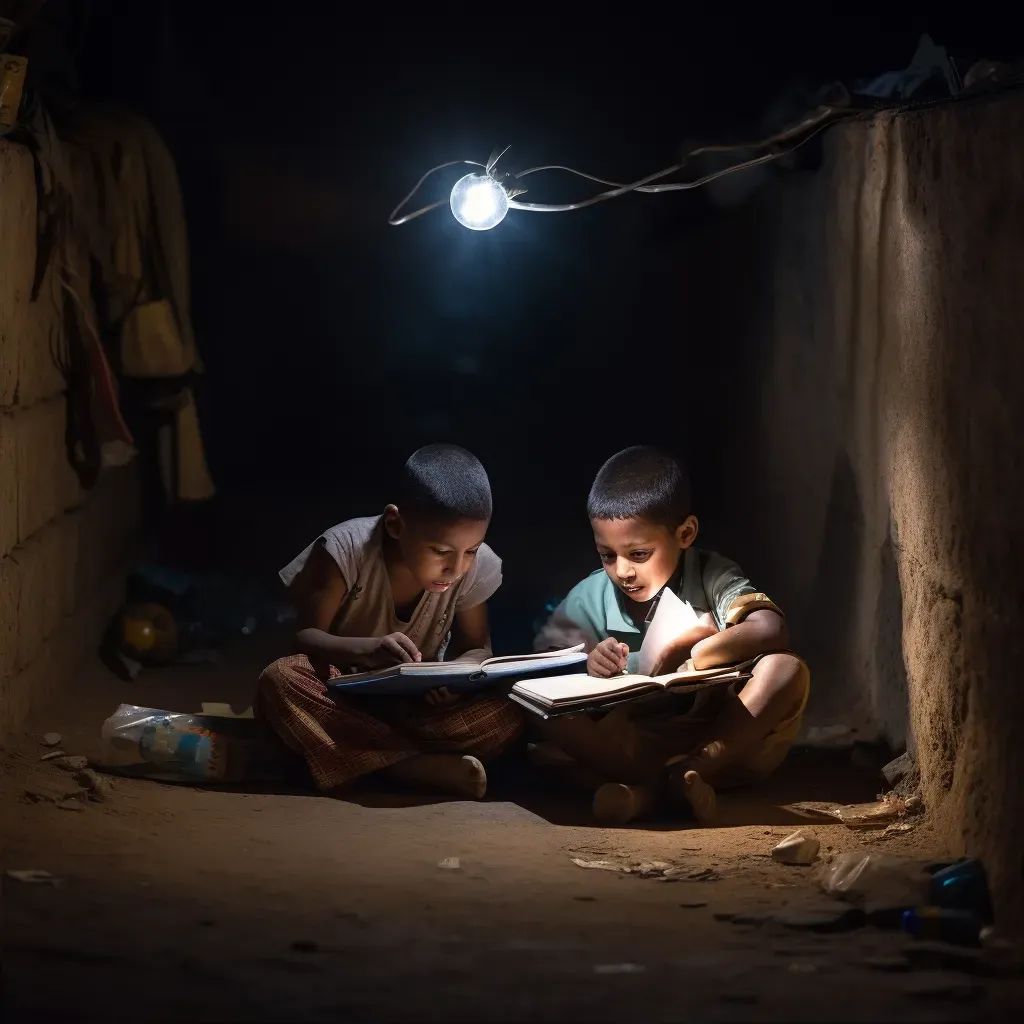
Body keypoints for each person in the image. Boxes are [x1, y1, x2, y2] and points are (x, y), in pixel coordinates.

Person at [532, 446, 809, 825]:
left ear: (685, 533)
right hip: (635, 747)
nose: (622, 571)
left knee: (786, 669)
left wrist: (694, 648)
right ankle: (669, 787)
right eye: (607, 555)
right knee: (537, 709)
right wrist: (588, 662)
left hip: (724, 740)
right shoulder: (590, 596)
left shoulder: (710, 574)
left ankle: (671, 781)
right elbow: (545, 671)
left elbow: (770, 629)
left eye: (639, 553)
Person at [256, 444, 523, 799]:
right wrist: (366, 651)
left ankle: (358, 760)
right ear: (395, 524)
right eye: (441, 551)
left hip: (414, 711)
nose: (456, 568)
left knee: (516, 705)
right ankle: (412, 769)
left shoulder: (475, 569)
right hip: (341, 701)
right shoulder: (345, 551)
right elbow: (304, 639)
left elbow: (476, 648)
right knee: (281, 680)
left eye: (470, 551)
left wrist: (457, 679)